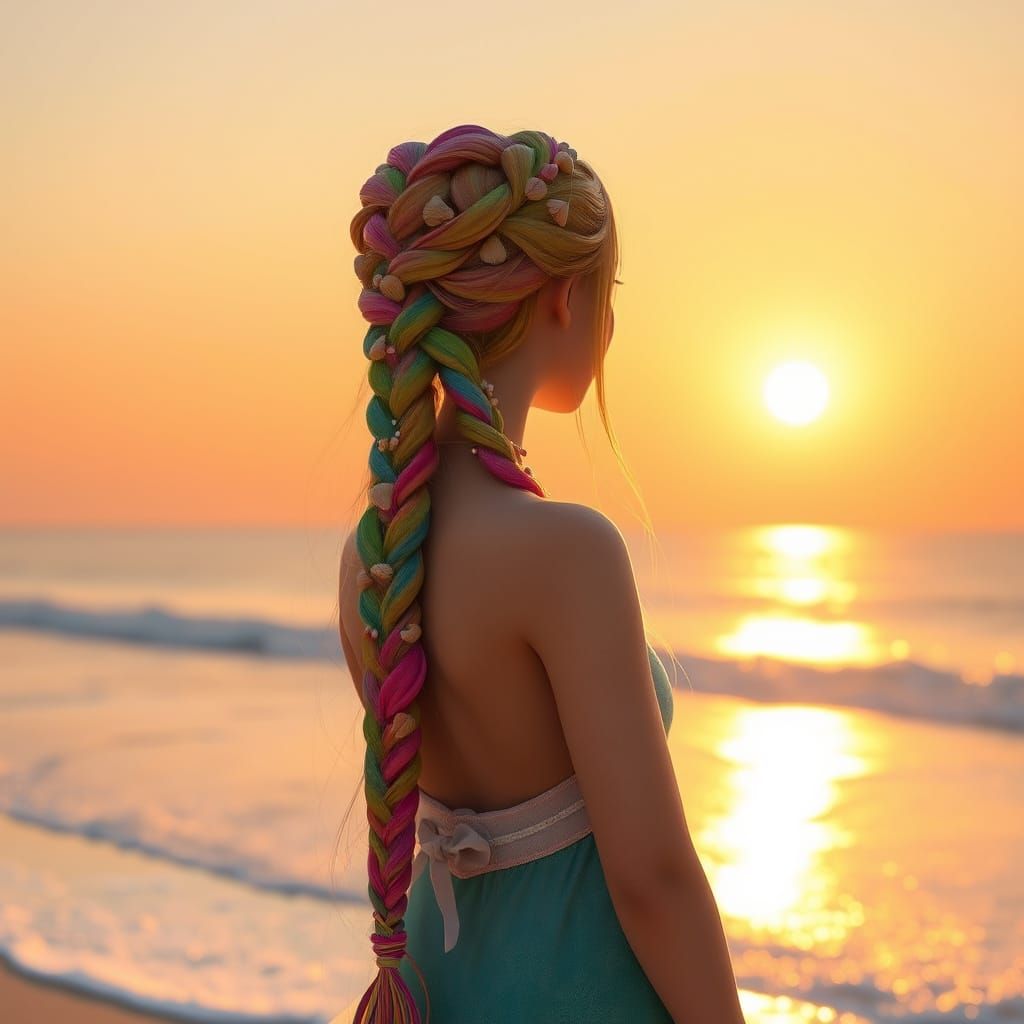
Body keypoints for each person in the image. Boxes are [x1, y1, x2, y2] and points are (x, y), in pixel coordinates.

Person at [335, 123, 746, 1024]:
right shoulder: (566, 551)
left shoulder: (373, 553)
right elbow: (654, 880)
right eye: (610, 294)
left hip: (443, 992)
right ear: (563, 301)